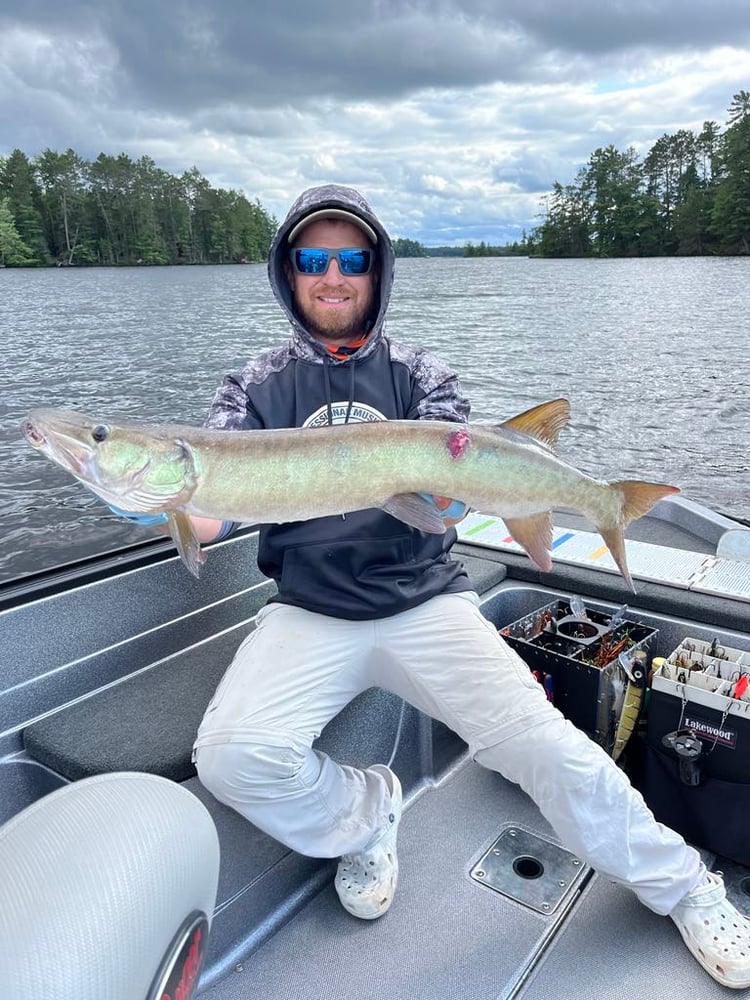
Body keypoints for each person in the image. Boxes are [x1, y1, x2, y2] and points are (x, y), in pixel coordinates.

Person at [122, 184, 749, 989]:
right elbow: (209, 518)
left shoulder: (422, 375)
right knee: (232, 757)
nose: (334, 277)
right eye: (314, 260)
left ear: (377, 272)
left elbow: (458, 483)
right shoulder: (251, 387)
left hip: (425, 600)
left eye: (352, 260)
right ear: (289, 274)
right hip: (307, 611)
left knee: (548, 746)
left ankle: (688, 888)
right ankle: (366, 814)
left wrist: (480, 497)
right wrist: (157, 497)